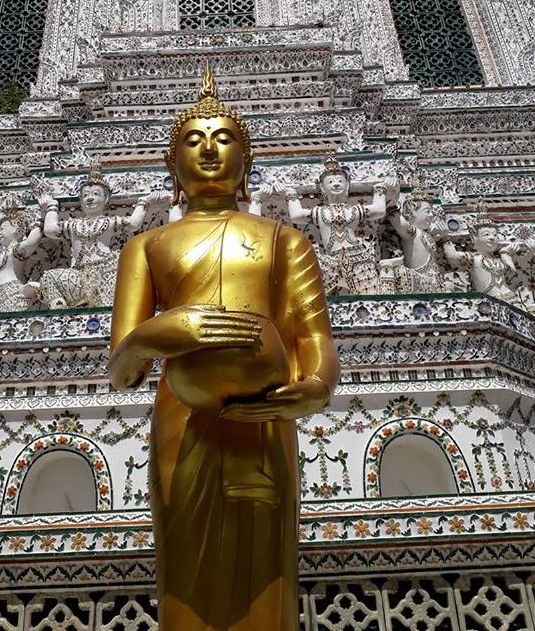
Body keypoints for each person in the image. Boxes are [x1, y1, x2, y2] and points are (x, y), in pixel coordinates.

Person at [108, 64, 339, 631]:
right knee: (186, 575)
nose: (209, 149)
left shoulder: (285, 240)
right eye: (193, 140)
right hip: (182, 419)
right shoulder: (145, 246)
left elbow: (313, 337)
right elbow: (121, 368)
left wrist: (314, 388)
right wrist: (163, 332)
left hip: (263, 418)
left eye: (224, 138)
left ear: (247, 161)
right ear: (172, 165)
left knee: (266, 572)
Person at [36, 166, 156, 309]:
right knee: (48, 278)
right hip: (79, 276)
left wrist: (144, 201)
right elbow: (50, 230)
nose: (90, 198)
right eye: (85, 195)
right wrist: (52, 205)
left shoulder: (109, 222)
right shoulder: (73, 225)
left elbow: (133, 224)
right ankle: (61, 313)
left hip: (106, 273)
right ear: (81, 201)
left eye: (96, 194)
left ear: (106, 199)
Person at [286, 154, 393, 295]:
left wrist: (380, 189)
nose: (336, 184)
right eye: (330, 182)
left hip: (358, 258)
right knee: (307, 291)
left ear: (347, 185)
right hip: (331, 261)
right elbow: (296, 216)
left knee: (371, 296)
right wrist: (290, 193)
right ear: (322, 188)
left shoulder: (353, 210)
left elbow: (379, 210)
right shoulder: (320, 212)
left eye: (340, 181)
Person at [386, 186, 447, 293]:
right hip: (419, 280)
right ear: (413, 210)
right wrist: (391, 204)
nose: (431, 215)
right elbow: (398, 221)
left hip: (434, 281)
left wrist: (443, 236)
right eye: (427, 211)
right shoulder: (412, 232)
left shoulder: (426, 235)